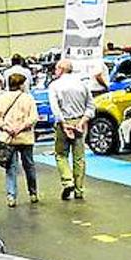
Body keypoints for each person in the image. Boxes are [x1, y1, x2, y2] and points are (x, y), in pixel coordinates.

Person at [47, 59, 94, 200]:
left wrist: (63, 124)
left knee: (61, 155)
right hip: (80, 121)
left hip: (64, 123)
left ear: (61, 69)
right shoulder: (83, 84)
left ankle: (68, 181)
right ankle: (79, 189)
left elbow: (55, 109)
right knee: (79, 157)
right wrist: (82, 121)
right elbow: (91, 106)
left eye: (56, 69)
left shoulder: (54, 85)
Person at [0, 73, 39, 207]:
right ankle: (33, 193)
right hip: (25, 138)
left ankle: (11, 196)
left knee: (10, 168)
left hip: (8, 138)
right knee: (29, 166)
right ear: (21, 84)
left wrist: (7, 128)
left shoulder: (1, 99)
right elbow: (34, 117)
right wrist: (21, 127)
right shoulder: (28, 98)